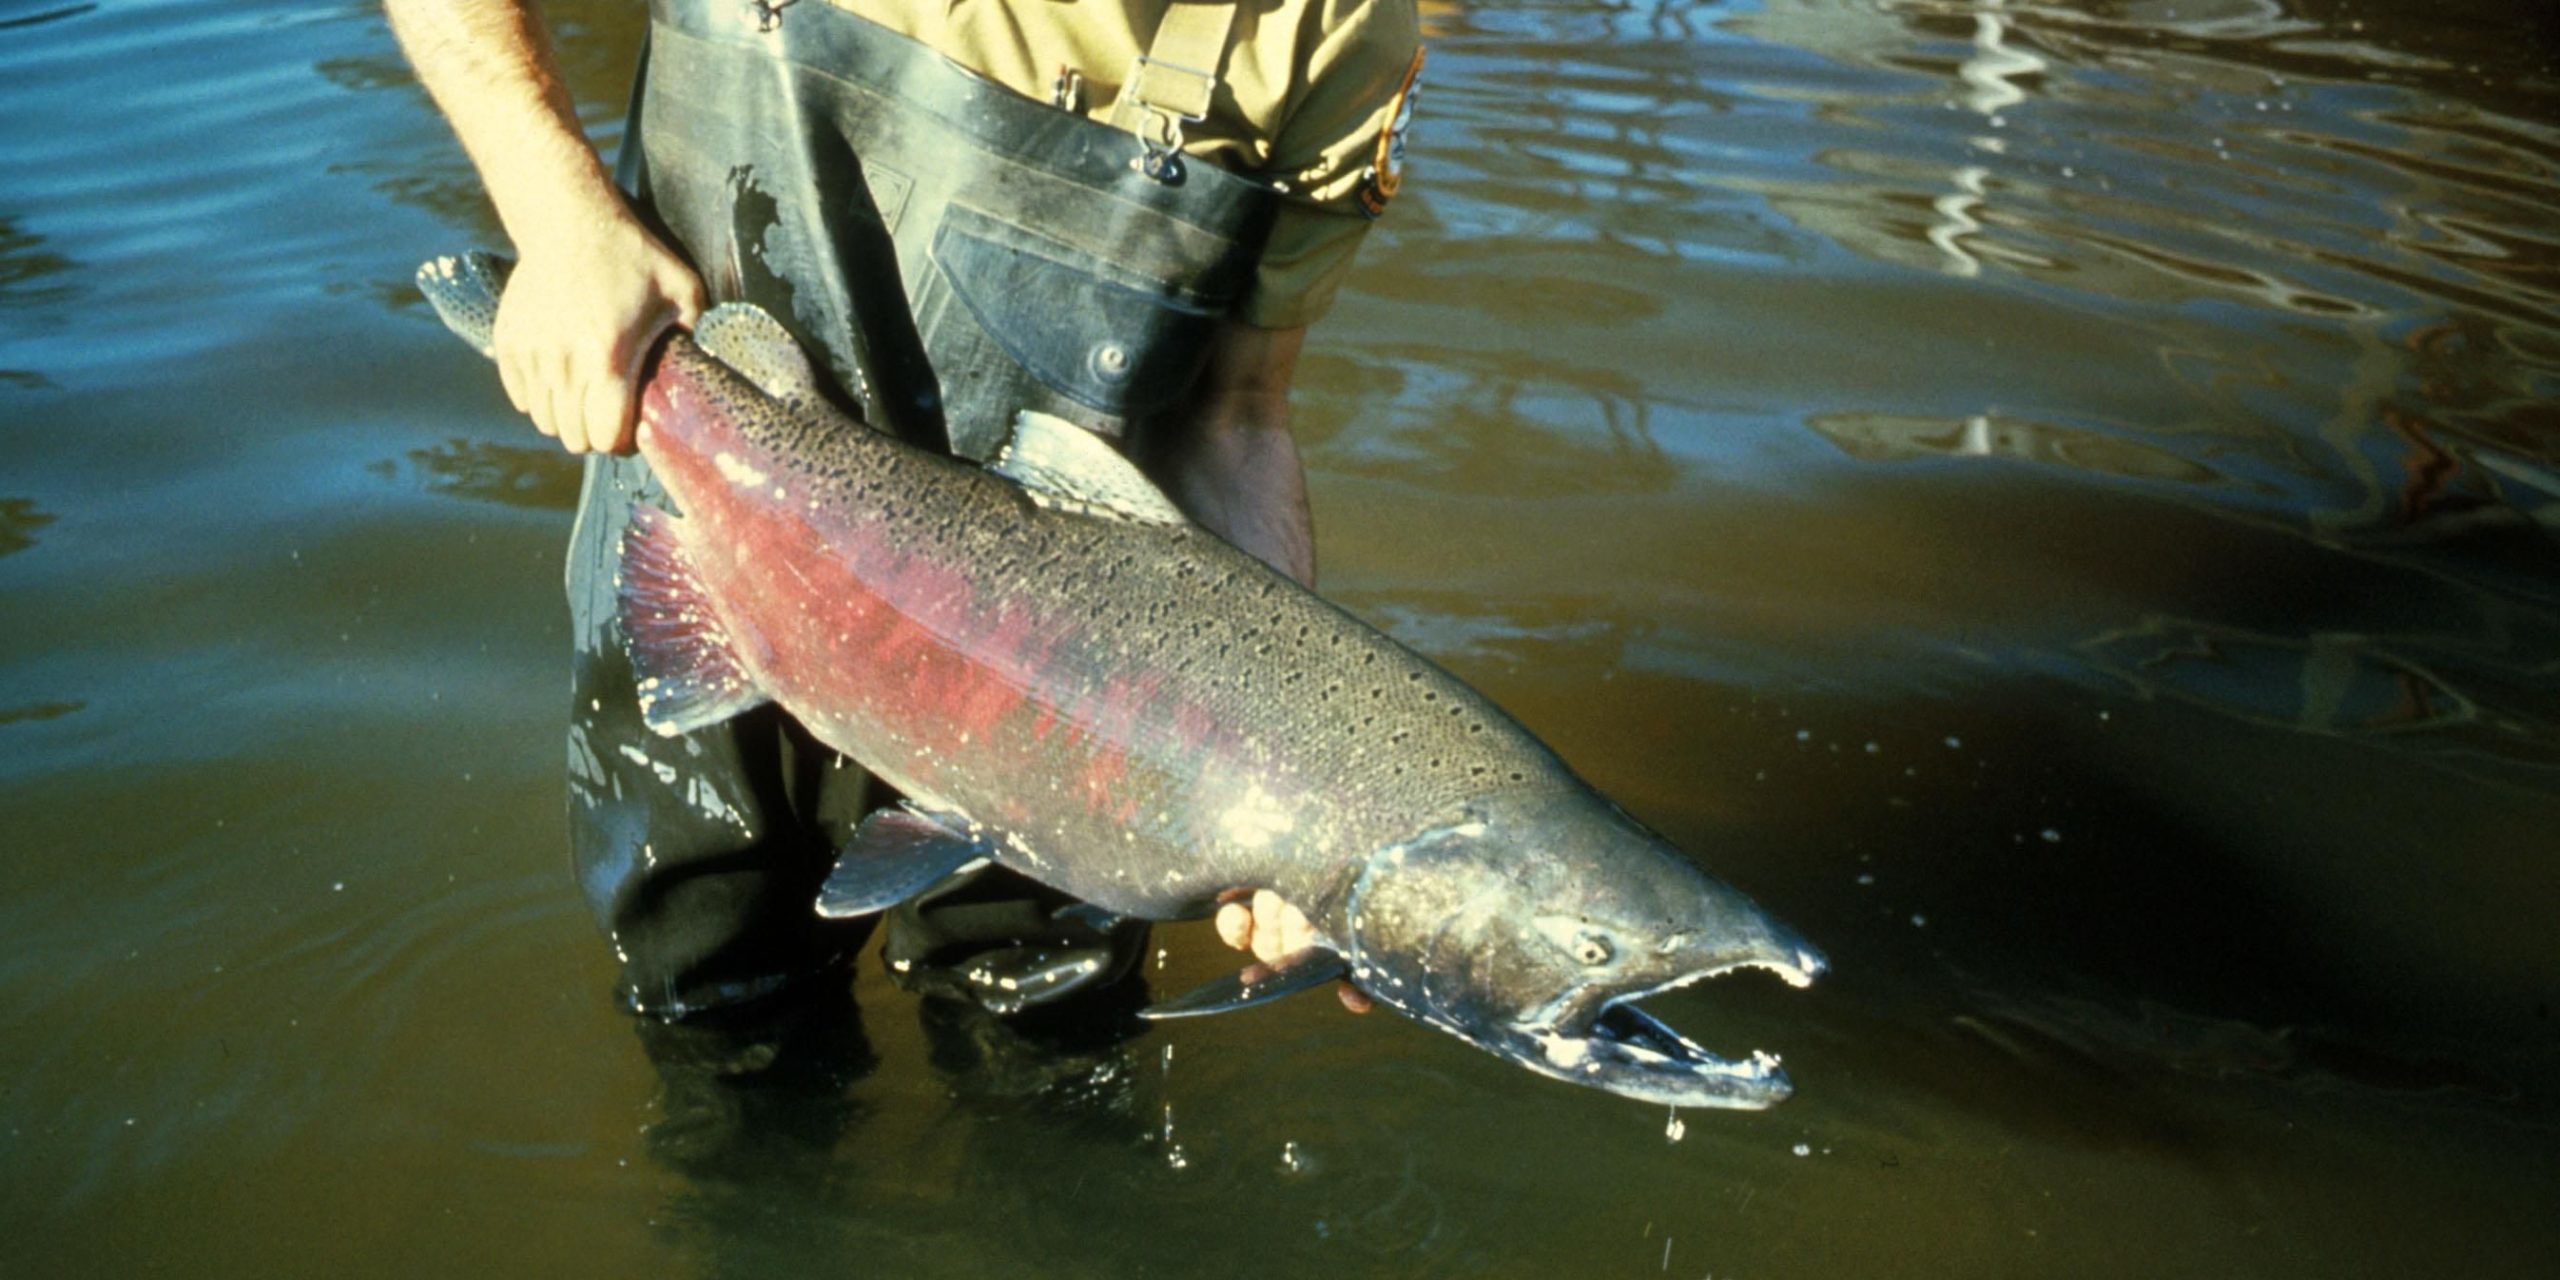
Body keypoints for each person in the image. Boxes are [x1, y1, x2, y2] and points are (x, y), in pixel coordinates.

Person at [386, 0, 1415, 1026]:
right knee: (721, 1010)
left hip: (1064, 689)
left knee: (1047, 1056)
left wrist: (1287, 779)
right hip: (719, 518)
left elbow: (1236, 416)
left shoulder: (1339, 25)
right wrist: (555, 209)